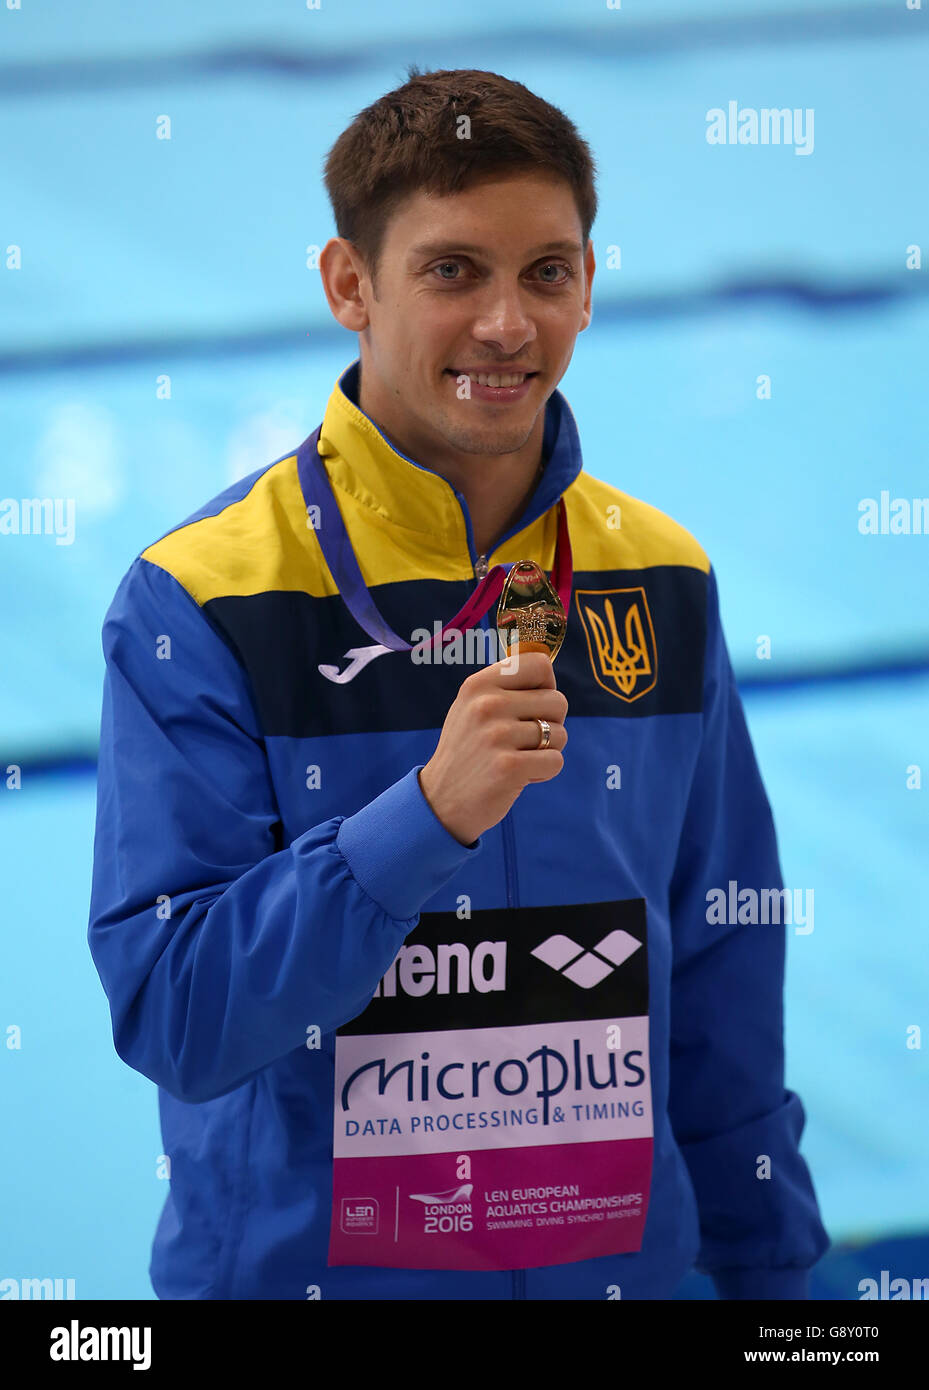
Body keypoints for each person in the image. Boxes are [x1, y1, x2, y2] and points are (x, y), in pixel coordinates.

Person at [87, 65, 830, 1300]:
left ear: (588, 284)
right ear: (348, 285)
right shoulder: (202, 597)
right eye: (451, 271)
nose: (505, 324)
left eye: (546, 270)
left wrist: (774, 1294)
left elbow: (718, 987)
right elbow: (176, 1014)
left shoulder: (656, 574)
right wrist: (421, 818)